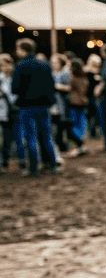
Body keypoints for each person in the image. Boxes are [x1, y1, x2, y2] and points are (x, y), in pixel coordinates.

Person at [11, 39, 60, 176]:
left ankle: (33, 168)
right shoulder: (44, 64)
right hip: (44, 106)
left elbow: (15, 88)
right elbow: (51, 85)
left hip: (27, 106)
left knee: (31, 138)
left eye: (18, 48)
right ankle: (52, 165)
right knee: (47, 136)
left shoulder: (20, 66)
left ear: (23, 49)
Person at [62, 51, 89, 156]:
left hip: (74, 103)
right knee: (80, 124)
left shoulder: (73, 78)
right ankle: (81, 146)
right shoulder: (84, 78)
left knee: (72, 126)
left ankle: (80, 145)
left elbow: (69, 89)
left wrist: (58, 86)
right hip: (82, 103)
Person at [0, 53, 14, 171]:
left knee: (15, 138)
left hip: (15, 111)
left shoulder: (15, 77)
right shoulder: (0, 79)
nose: (5, 67)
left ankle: (22, 161)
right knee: (4, 138)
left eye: (7, 65)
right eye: (2, 65)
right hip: (3, 113)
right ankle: (3, 162)